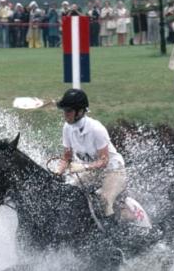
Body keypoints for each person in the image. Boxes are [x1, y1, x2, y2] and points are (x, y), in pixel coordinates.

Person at [54, 88, 127, 221]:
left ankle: (115, 234)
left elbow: (104, 160)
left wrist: (83, 167)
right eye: (64, 110)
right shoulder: (67, 128)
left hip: (113, 170)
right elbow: (67, 158)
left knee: (105, 201)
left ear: (80, 111)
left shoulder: (96, 129)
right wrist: (57, 171)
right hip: (93, 171)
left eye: (68, 111)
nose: (65, 114)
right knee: (69, 193)